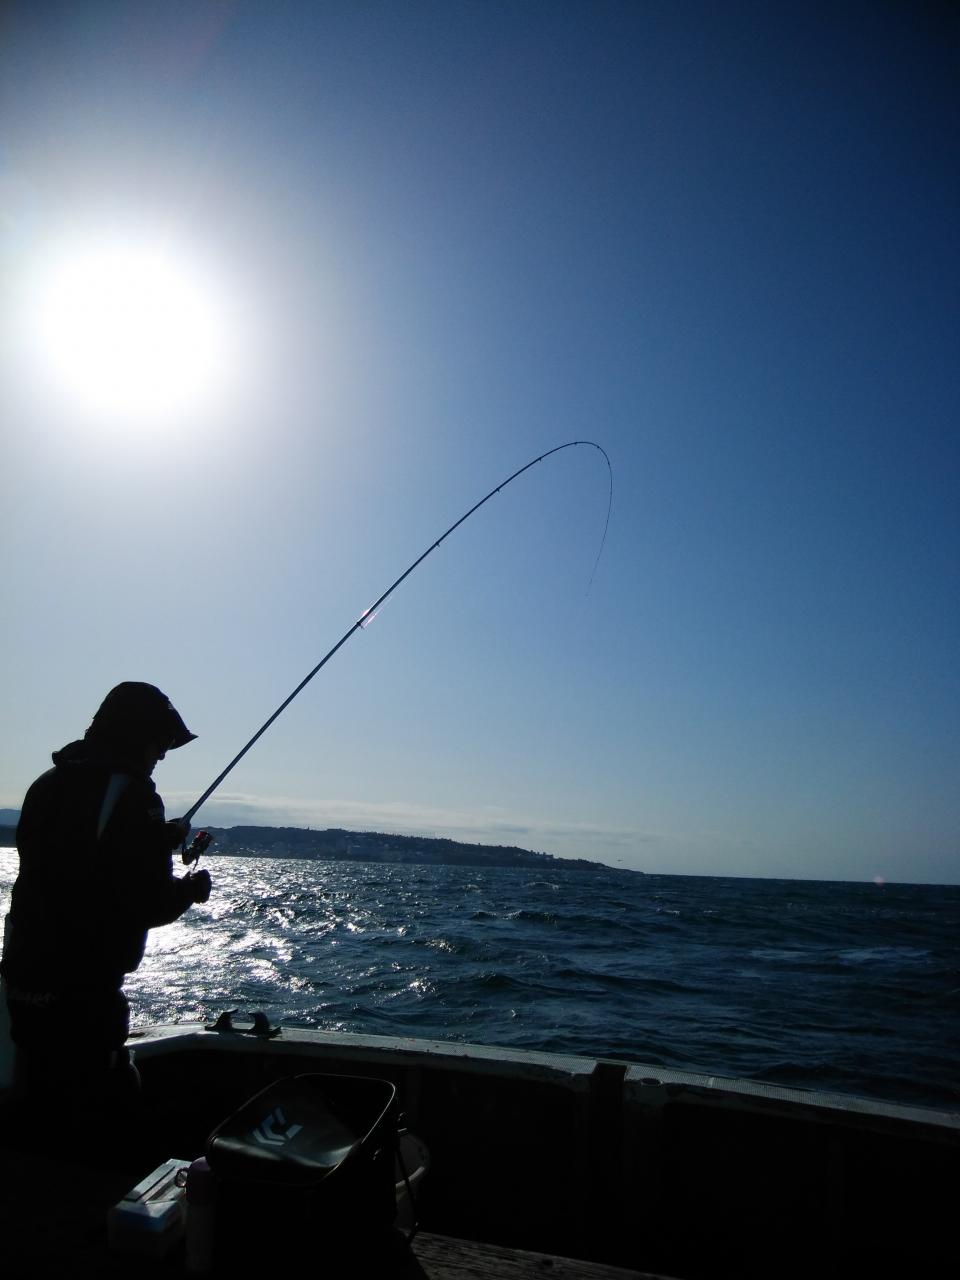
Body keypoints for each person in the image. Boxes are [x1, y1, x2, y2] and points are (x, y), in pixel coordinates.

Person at [0, 682, 211, 1122]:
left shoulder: (48, 784)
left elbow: (77, 859)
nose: (163, 753)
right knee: (96, 1107)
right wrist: (190, 890)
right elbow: (148, 901)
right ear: (136, 735)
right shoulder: (134, 794)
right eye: (160, 741)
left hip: (25, 978)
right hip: (83, 990)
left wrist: (155, 839)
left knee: (35, 1093)